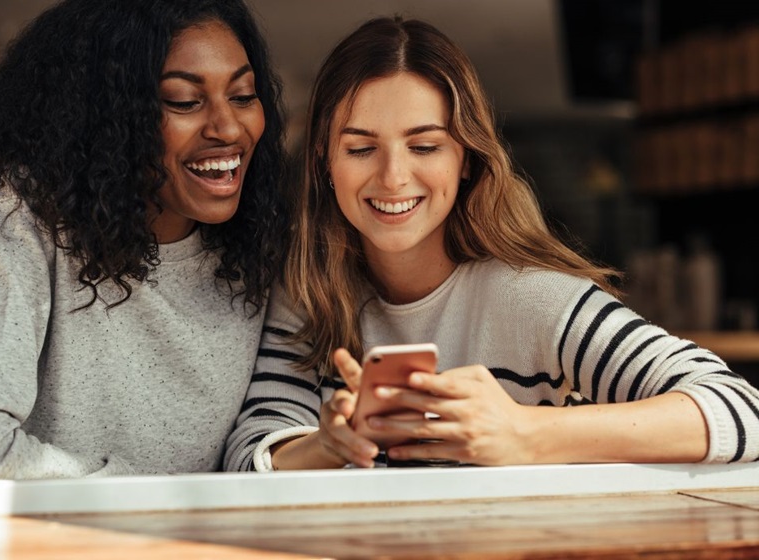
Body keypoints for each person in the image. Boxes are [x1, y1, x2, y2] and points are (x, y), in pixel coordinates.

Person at [224, 16, 759, 472]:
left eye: (425, 145)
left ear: (467, 160)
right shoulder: (306, 295)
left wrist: (528, 432)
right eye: (361, 149)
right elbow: (249, 456)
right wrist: (327, 444)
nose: (392, 177)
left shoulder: (532, 298)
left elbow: (740, 410)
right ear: (324, 163)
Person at [0, 0, 288, 478]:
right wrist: (145, 501)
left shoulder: (264, 241)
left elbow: (271, 431)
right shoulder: (25, 219)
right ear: (107, 117)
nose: (229, 128)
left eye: (242, 95)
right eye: (184, 101)